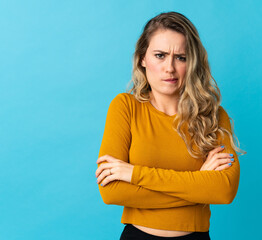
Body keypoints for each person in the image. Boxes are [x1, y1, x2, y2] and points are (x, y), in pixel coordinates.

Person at [95, 11, 246, 239]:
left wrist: (135, 174)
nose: (170, 68)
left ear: (192, 63)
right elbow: (111, 191)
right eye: (160, 55)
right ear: (142, 59)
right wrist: (198, 185)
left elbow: (223, 190)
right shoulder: (125, 107)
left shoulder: (213, 116)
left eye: (181, 57)